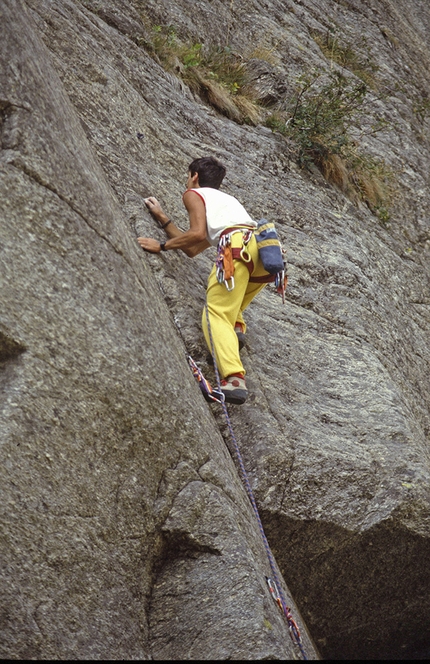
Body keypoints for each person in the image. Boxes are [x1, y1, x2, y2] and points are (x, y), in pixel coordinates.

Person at [137, 156, 272, 404]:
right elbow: (192, 248)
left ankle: (233, 379)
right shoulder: (227, 203)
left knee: (215, 314)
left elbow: (196, 233)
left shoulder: (194, 194)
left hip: (236, 250)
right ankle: (235, 329)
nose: (187, 181)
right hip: (264, 254)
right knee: (231, 309)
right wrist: (163, 218)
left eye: (188, 176)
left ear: (195, 176)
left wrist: (161, 245)